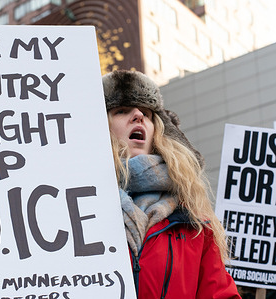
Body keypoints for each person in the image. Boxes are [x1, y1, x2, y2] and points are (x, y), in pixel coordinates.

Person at [103, 70, 241, 298]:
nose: (138, 115)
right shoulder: (77, 208)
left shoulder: (195, 222)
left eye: (147, 113)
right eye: (122, 110)